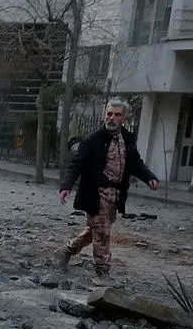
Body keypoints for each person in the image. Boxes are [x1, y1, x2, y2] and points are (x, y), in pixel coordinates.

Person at [54, 98, 159, 284]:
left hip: (115, 195)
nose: (112, 118)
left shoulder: (127, 139)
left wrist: (149, 177)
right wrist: (66, 186)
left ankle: (66, 250)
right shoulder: (92, 140)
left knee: (97, 229)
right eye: (109, 114)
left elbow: (135, 163)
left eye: (117, 115)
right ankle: (102, 274)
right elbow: (77, 164)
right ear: (105, 115)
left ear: (124, 118)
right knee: (102, 233)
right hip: (95, 193)